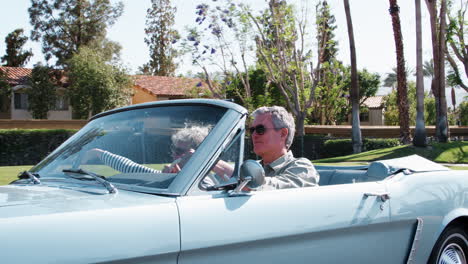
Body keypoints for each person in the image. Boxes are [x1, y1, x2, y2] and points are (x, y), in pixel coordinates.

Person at [84, 125, 210, 174]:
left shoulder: (204, 184)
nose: (174, 154)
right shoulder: (168, 174)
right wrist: (98, 153)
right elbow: (132, 168)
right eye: (174, 149)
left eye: (179, 151)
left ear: (195, 154)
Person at [250, 106, 319, 190]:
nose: (253, 135)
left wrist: (247, 181)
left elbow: (280, 188)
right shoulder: (253, 166)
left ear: (283, 133)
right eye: (252, 130)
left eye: (260, 129)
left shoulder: (303, 167)